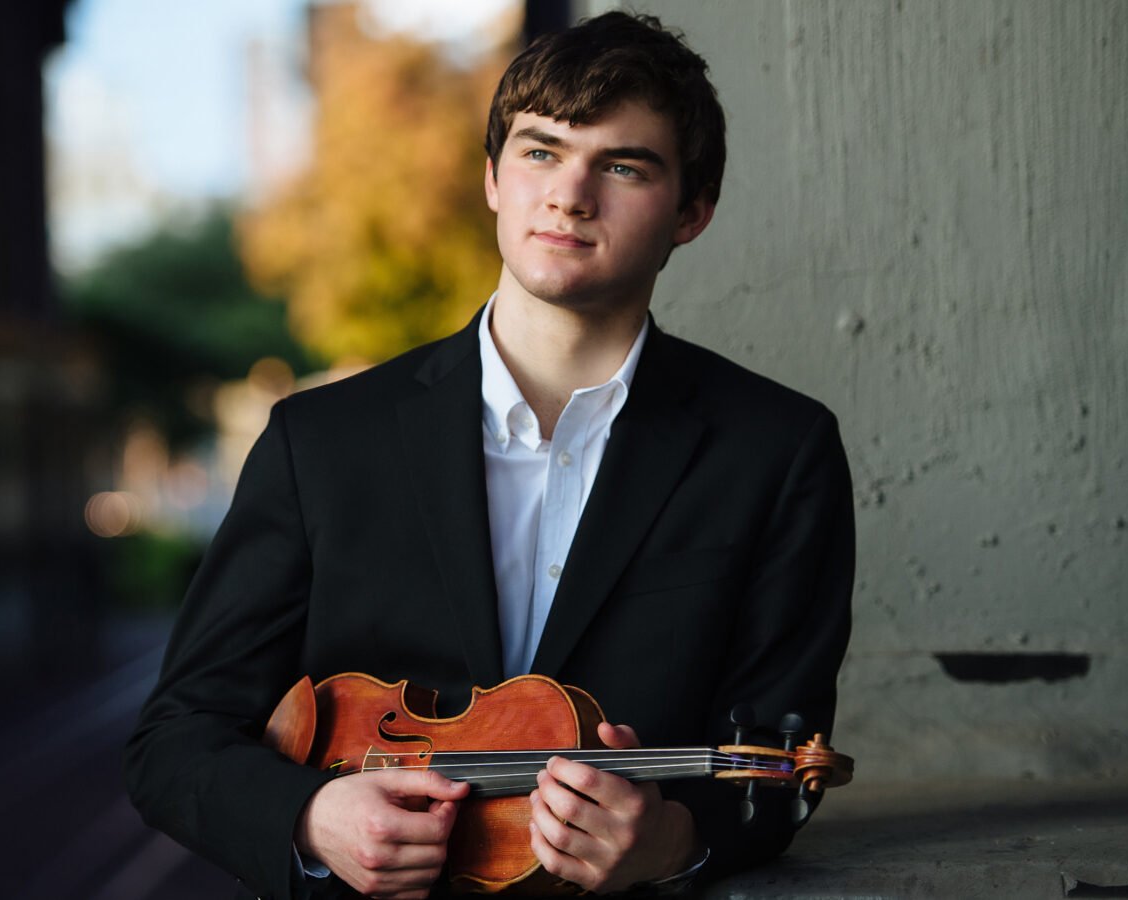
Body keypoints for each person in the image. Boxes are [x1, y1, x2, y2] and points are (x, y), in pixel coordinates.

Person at [125, 11, 853, 899]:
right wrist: (312, 819)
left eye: (622, 166)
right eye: (541, 152)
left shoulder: (778, 450)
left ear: (692, 212)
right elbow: (177, 735)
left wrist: (671, 841)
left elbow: (778, 762)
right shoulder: (319, 443)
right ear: (493, 179)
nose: (570, 195)